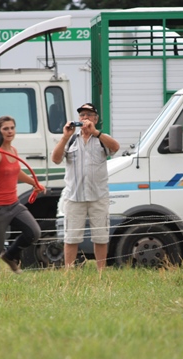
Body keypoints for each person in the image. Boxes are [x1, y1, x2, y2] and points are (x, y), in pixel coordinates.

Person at [51, 103, 120, 271]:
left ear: (95, 119)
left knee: (101, 236)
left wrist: (96, 132)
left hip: (98, 196)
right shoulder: (71, 140)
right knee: (71, 237)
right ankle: (69, 271)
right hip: (74, 197)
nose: (85, 118)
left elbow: (115, 147)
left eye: (89, 115)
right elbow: (55, 159)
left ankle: (101, 271)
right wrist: (64, 137)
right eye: (82, 115)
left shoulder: (101, 139)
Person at [0, 116, 45, 274]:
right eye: (5, 128)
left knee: (34, 232)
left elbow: (16, 171)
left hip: (13, 205)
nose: (10, 131)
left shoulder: (13, 151)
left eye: (12, 128)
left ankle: (10, 256)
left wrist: (34, 183)